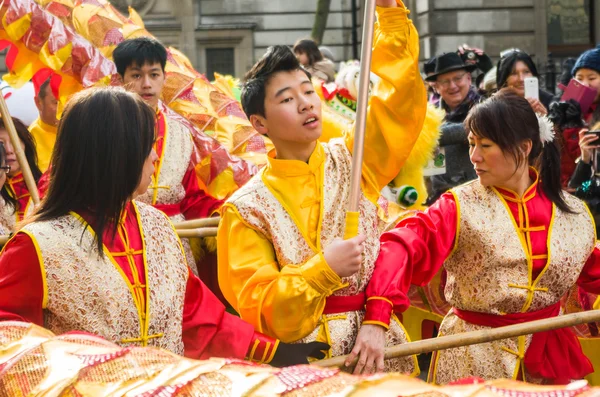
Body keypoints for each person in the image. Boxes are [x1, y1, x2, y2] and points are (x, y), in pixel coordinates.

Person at [0, 86, 327, 366]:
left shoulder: (157, 227)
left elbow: (197, 317)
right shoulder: (37, 246)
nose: (156, 156)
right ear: (117, 154)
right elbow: (13, 350)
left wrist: (277, 353)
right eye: (147, 145)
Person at [218, 0, 426, 375]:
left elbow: (400, 106)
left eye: (307, 91)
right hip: (306, 361)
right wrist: (323, 269)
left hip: (378, 345)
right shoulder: (245, 209)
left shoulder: (355, 156)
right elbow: (260, 303)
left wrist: (391, 18)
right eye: (286, 99)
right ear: (259, 123)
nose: (305, 104)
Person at [374, 88, 600, 384]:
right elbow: (403, 245)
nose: (474, 157)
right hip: (473, 356)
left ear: (523, 147)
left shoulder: (573, 213)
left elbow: (591, 269)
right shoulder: (458, 206)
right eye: (471, 144)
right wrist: (377, 314)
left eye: (486, 145)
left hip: (547, 357)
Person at [112, 37, 224, 275]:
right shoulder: (105, 127)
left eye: (154, 75)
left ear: (164, 78)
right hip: (121, 240)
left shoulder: (180, 132)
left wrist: (224, 212)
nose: (146, 84)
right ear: (120, 80)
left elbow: (190, 196)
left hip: (174, 244)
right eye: (136, 76)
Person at [425, 52, 480, 203]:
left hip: (475, 196)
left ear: (468, 78)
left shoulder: (485, 107)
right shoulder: (430, 114)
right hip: (439, 200)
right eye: (445, 81)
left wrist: (428, 135)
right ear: (436, 87)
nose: (453, 86)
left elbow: (472, 128)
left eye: (457, 78)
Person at [0, 117, 42, 234]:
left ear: (25, 146)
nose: (8, 150)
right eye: (1, 144)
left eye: (14, 142)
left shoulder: (46, 185)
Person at [28, 76, 58, 173]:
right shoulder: (28, 142)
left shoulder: (84, 131)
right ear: (38, 103)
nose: (64, 107)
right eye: (56, 102)